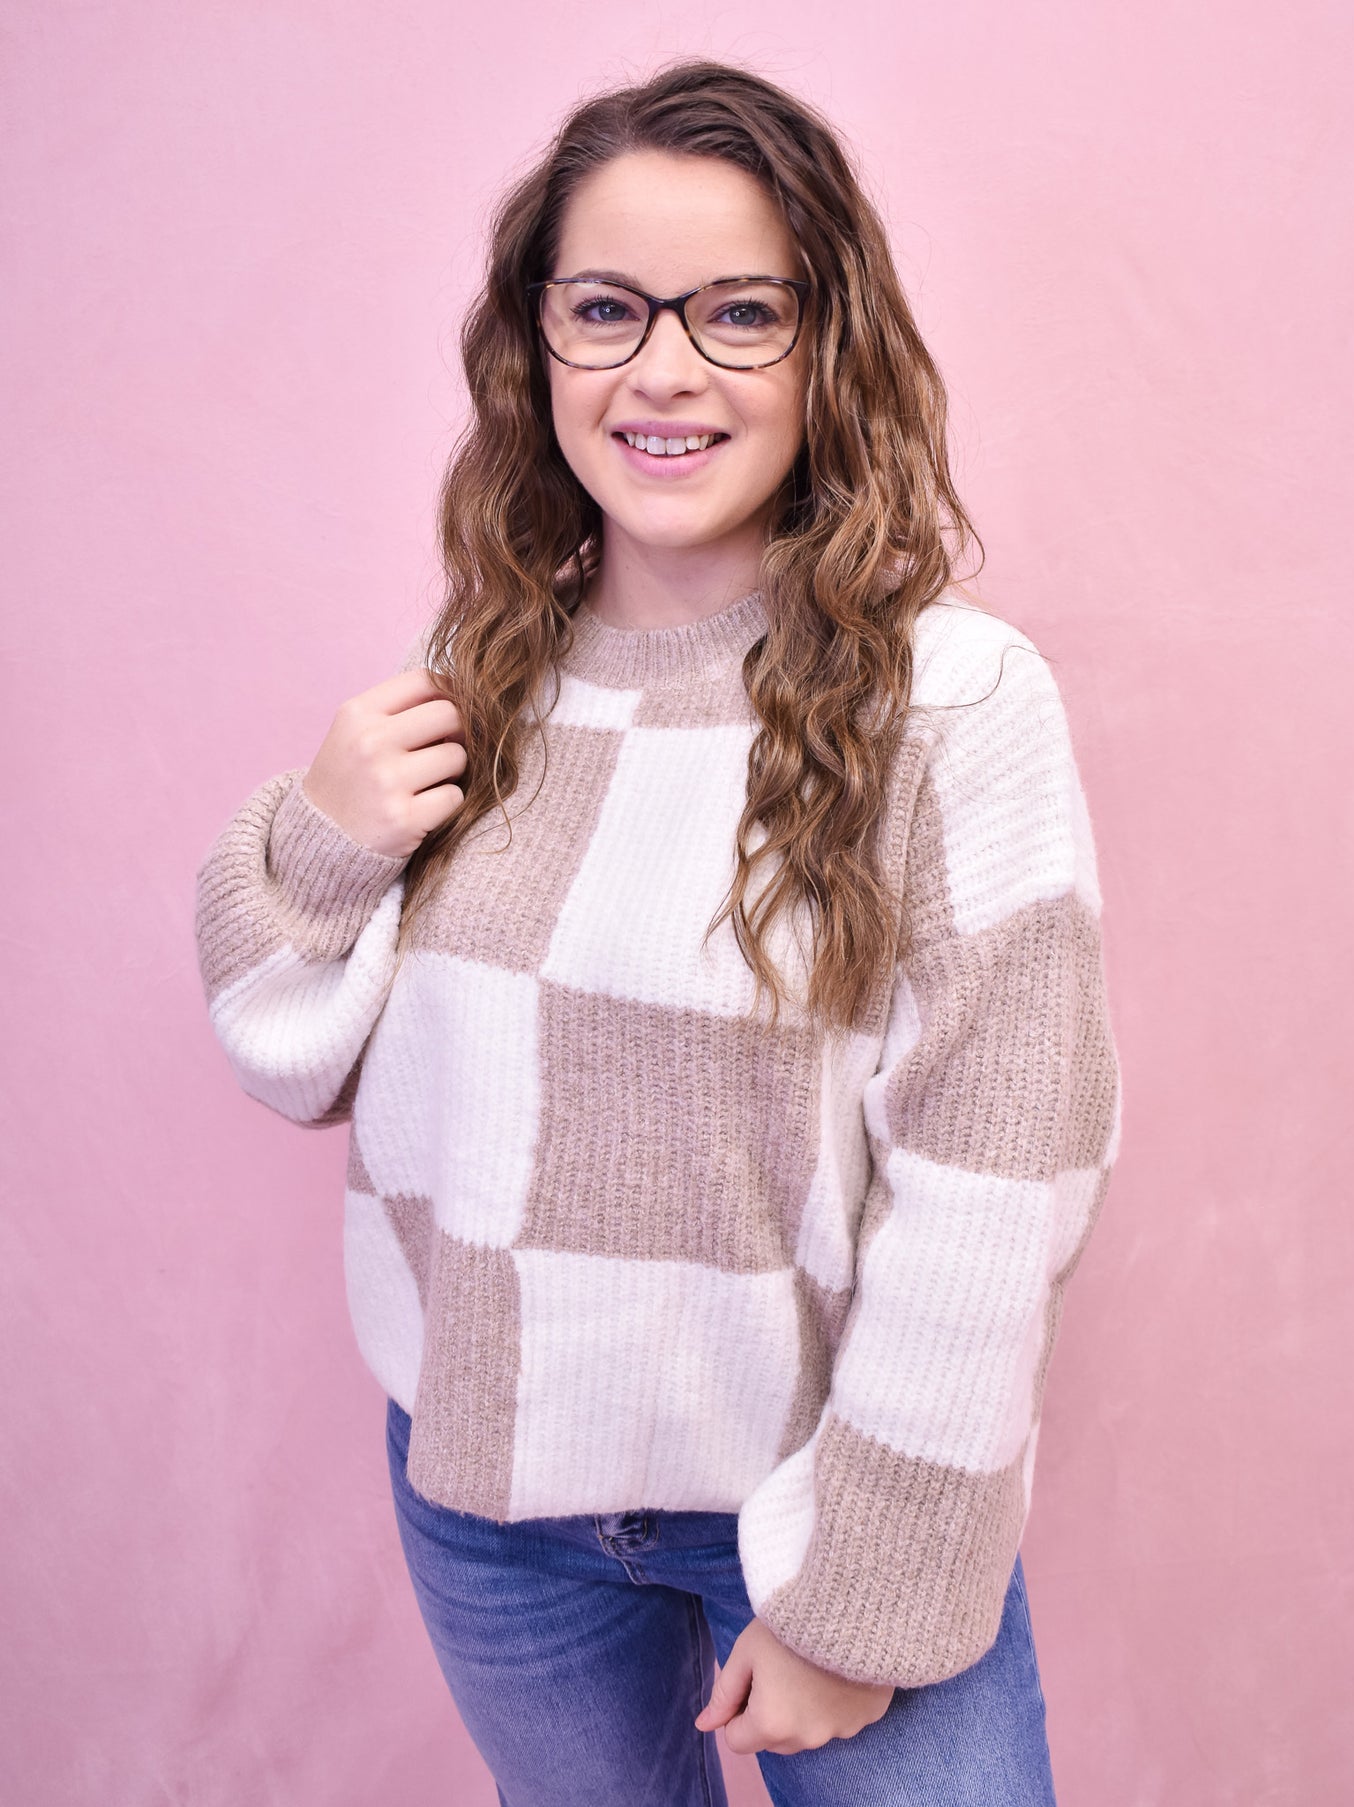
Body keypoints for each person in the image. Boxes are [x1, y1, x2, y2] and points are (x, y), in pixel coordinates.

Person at [193, 57, 1122, 1807]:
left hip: (825, 1498)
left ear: (824, 345)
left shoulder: (956, 699)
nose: (666, 370)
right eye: (607, 310)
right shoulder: (478, 670)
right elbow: (284, 1047)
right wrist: (319, 838)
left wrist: (858, 1595)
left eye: (738, 312)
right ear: (536, 346)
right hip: (491, 1500)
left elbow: (1008, 1172)